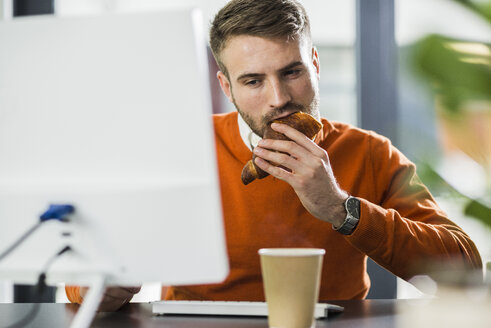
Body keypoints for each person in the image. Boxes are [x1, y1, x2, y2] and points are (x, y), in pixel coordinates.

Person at [66, 0, 482, 310]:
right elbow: (82, 278)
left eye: (292, 72)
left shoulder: (369, 152)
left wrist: (342, 209)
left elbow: (465, 267)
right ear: (227, 87)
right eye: (252, 81)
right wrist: (102, 289)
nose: (279, 99)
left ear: (316, 65)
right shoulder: (182, 147)